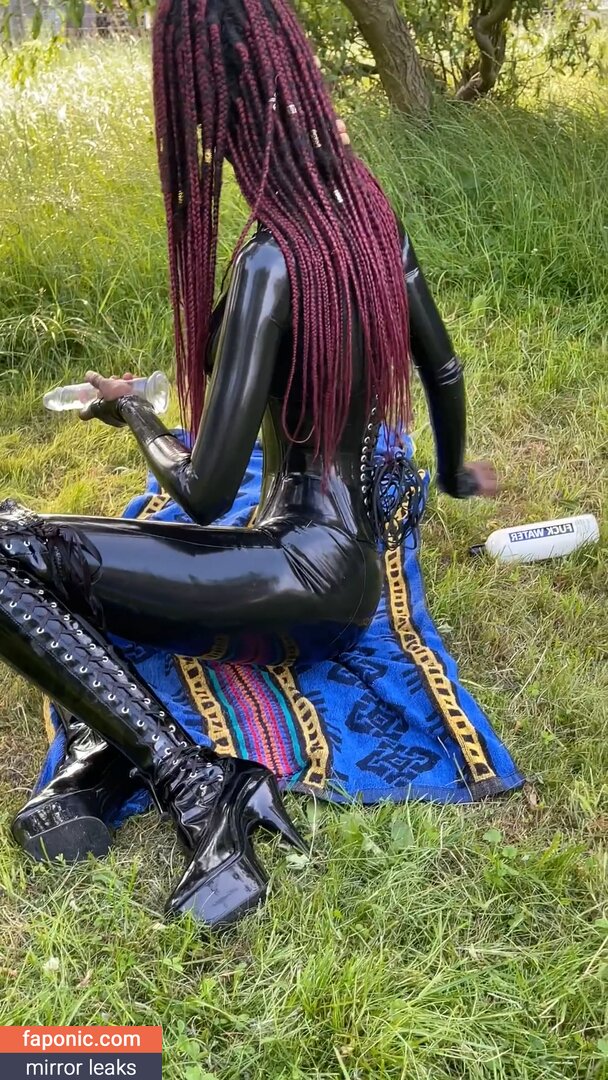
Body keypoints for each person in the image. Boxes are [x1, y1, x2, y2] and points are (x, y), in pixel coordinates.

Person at [0, 0, 495, 928]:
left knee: (7, 547)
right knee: (71, 569)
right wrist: (457, 471)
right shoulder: (369, 218)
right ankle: (111, 760)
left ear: (214, 114)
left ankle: (194, 782)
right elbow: (445, 368)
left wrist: (133, 413)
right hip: (345, 584)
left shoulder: (271, 261)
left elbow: (203, 494)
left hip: (290, 582)